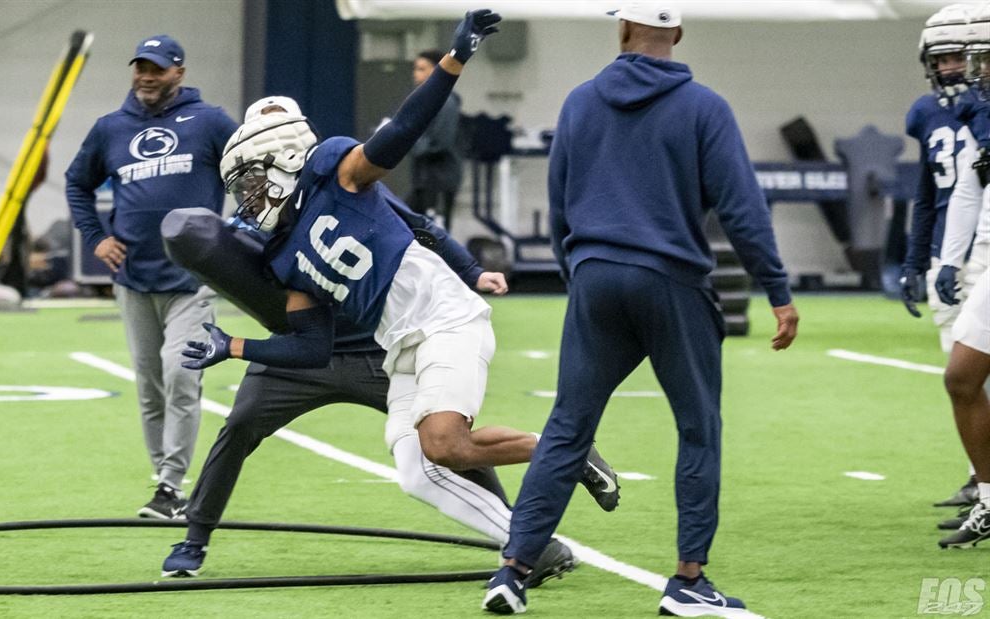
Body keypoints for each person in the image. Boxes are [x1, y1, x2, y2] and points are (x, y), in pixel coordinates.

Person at [170, 7, 610, 569]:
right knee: (417, 471)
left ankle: (546, 500)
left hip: (444, 318)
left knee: (447, 444)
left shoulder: (336, 171)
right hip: (400, 342)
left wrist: (453, 61)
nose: (249, 195)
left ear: (281, 154)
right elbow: (310, 346)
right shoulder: (281, 255)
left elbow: (401, 135)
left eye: (252, 179)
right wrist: (233, 346)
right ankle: (533, 542)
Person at [481, 4, 800, 616]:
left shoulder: (579, 102)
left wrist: (582, 273)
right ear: (676, 33)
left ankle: (513, 570)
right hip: (672, 281)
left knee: (568, 427)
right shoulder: (706, 107)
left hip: (596, 278)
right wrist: (777, 290)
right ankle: (688, 582)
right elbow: (741, 208)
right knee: (698, 428)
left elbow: (560, 203)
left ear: (622, 29)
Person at [65, 34, 238, 519]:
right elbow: (77, 183)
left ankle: (169, 483)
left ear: (178, 73)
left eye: (157, 68)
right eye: (140, 66)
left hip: (192, 278)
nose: (146, 76)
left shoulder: (210, 123)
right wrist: (96, 236)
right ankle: (167, 483)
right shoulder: (110, 128)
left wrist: (244, 228)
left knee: (180, 375)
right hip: (133, 278)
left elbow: (252, 170)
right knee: (148, 384)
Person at [902, 3, 985, 511]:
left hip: (986, 249)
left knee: (972, 371)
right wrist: (915, 261)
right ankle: (980, 477)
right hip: (946, 253)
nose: (951, 66)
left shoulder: (985, 104)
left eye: (959, 56)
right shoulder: (925, 112)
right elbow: (926, 191)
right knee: (962, 374)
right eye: (943, 57)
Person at [938, 18, 990, 548]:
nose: (978, 69)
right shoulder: (981, 110)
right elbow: (968, 188)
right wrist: (952, 260)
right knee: (961, 376)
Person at [408, 49, 463, 228]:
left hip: (439, 180)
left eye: (421, 69)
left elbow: (441, 142)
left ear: (435, 70)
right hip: (424, 179)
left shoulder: (445, 102)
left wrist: (410, 143)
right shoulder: (428, 100)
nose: (416, 74)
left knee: (436, 232)